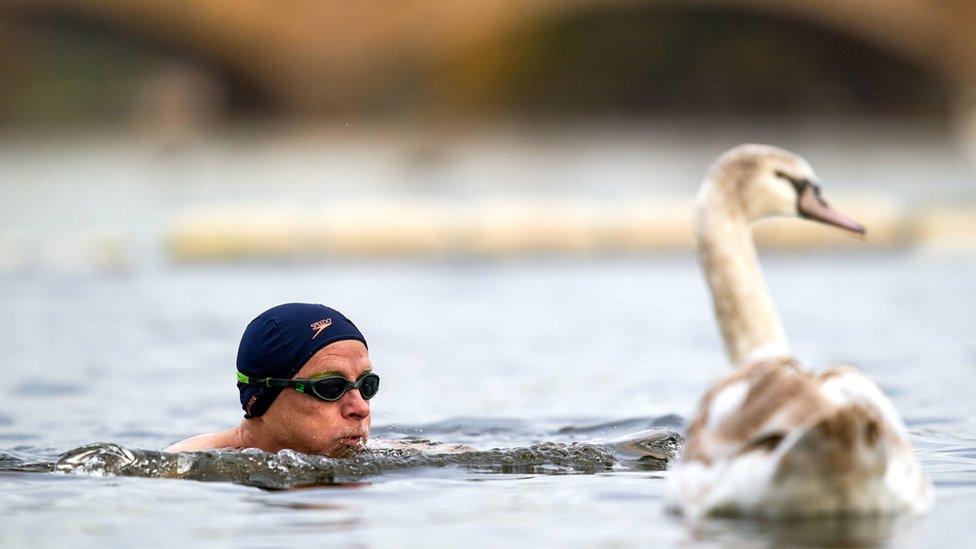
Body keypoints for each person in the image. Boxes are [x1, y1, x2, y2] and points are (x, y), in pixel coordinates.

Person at [165, 303, 377, 457]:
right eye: (331, 387)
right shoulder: (181, 467)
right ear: (264, 396)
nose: (361, 408)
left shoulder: (383, 452)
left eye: (366, 384)